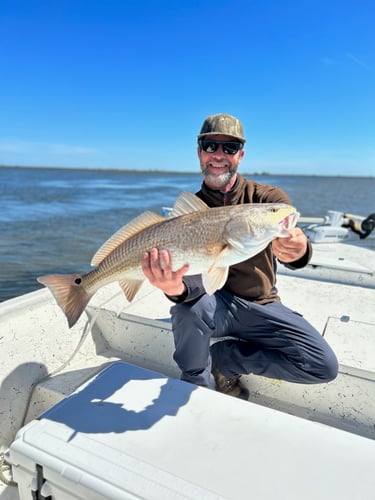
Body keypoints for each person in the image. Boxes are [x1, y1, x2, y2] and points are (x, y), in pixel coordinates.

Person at [141, 113, 338, 399]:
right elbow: (193, 284)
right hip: (215, 304)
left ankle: (227, 360)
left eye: (229, 148)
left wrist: (300, 249)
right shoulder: (189, 215)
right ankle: (196, 384)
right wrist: (175, 290)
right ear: (199, 153)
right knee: (190, 308)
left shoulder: (267, 199)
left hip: (262, 303)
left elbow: (291, 243)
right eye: (210, 146)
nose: (219, 155)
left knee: (323, 365)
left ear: (241, 155)